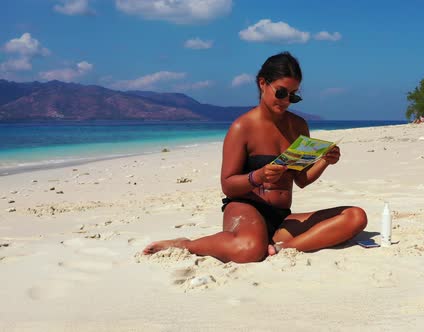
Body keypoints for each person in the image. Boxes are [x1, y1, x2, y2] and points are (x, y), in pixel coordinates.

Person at [143, 52, 368, 263]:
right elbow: (228, 186)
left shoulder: (298, 126)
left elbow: (301, 180)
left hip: (281, 217)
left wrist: (324, 162)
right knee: (250, 250)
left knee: (355, 217)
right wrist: (259, 176)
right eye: (281, 92)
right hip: (245, 208)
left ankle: (281, 248)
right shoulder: (242, 127)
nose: (286, 101)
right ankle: (188, 245)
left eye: (293, 96)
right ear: (263, 83)